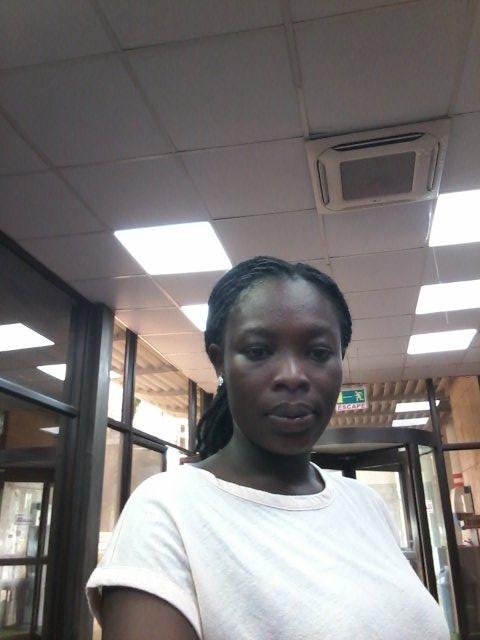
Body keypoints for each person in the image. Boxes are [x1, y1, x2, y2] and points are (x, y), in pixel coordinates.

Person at [86, 256, 450, 640]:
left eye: (318, 353)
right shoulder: (168, 509)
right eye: (259, 351)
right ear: (220, 363)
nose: (292, 376)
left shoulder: (366, 504)